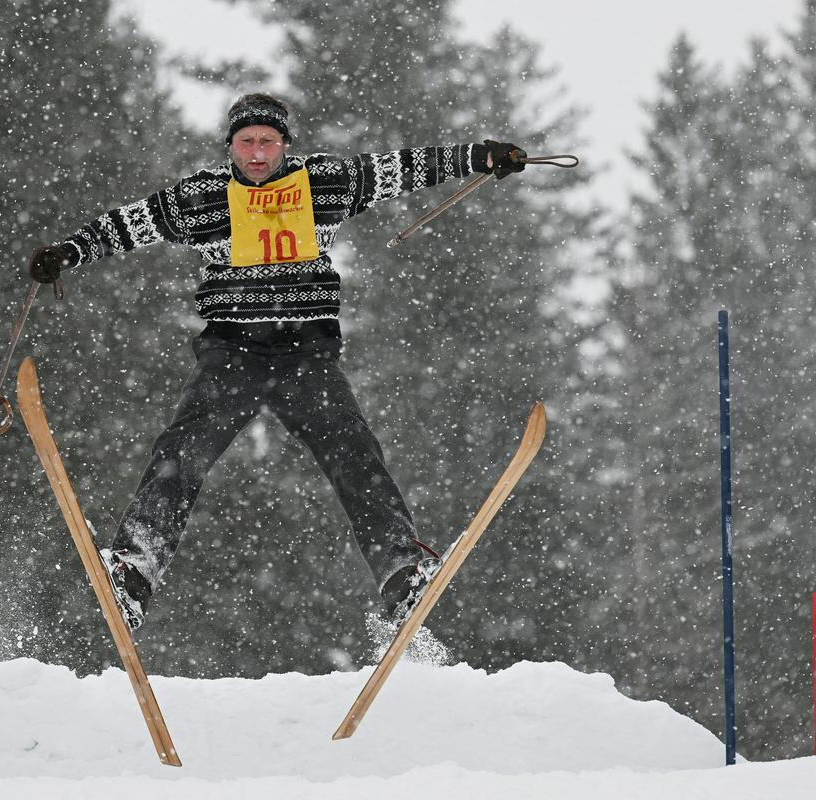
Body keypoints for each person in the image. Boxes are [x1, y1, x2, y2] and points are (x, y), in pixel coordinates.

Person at [29, 93, 526, 630]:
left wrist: (481, 156)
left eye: (268, 141)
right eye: (247, 142)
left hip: (305, 353)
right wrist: (68, 251)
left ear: (285, 144)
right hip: (232, 351)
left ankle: (402, 574)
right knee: (181, 452)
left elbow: (403, 168)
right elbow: (131, 223)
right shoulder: (204, 197)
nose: (258, 153)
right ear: (231, 147)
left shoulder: (323, 183)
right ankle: (133, 570)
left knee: (354, 454)